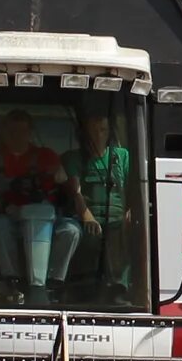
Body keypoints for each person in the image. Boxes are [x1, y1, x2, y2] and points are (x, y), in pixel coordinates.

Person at [0, 111, 83, 299]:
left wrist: (60, 177)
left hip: (47, 220)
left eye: (23, 131)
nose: (18, 136)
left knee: (71, 230)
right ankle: (13, 281)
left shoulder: (46, 156)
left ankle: (54, 283)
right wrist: (2, 205)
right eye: (12, 131)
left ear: (30, 133)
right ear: (4, 133)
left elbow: (64, 182)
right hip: (11, 217)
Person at [66, 108, 137, 291]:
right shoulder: (73, 158)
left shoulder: (122, 156)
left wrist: (131, 210)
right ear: (84, 133)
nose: (98, 135)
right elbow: (76, 192)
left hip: (118, 220)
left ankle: (119, 287)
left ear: (109, 132)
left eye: (103, 130)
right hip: (88, 220)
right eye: (93, 131)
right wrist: (87, 217)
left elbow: (134, 187)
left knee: (124, 237)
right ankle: (87, 287)